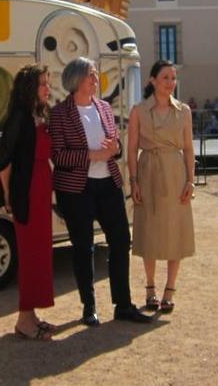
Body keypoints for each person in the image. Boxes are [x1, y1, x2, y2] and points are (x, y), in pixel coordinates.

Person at [49, 57, 151, 326]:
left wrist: (114, 148)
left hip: (108, 185)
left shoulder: (104, 107)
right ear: (77, 80)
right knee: (83, 247)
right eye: (92, 75)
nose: (96, 80)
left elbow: (116, 143)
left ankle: (124, 305)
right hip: (76, 190)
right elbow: (58, 156)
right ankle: (89, 307)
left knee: (120, 241)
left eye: (95, 75)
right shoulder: (59, 113)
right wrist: (94, 154)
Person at [128, 60, 196, 314]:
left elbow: (189, 148)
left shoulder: (184, 111)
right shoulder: (138, 111)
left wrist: (190, 180)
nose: (170, 83)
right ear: (152, 80)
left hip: (176, 172)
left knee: (175, 229)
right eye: (165, 77)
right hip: (148, 172)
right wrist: (133, 181)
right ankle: (149, 287)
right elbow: (132, 149)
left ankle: (170, 289)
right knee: (149, 229)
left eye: (173, 78)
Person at [0, 65, 56, 340]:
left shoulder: (39, 114)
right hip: (27, 194)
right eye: (43, 83)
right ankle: (23, 319)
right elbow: (4, 164)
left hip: (42, 191)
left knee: (41, 255)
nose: (48, 88)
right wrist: (8, 198)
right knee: (30, 257)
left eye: (47, 83)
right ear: (29, 87)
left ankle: (32, 314)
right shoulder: (19, 117)